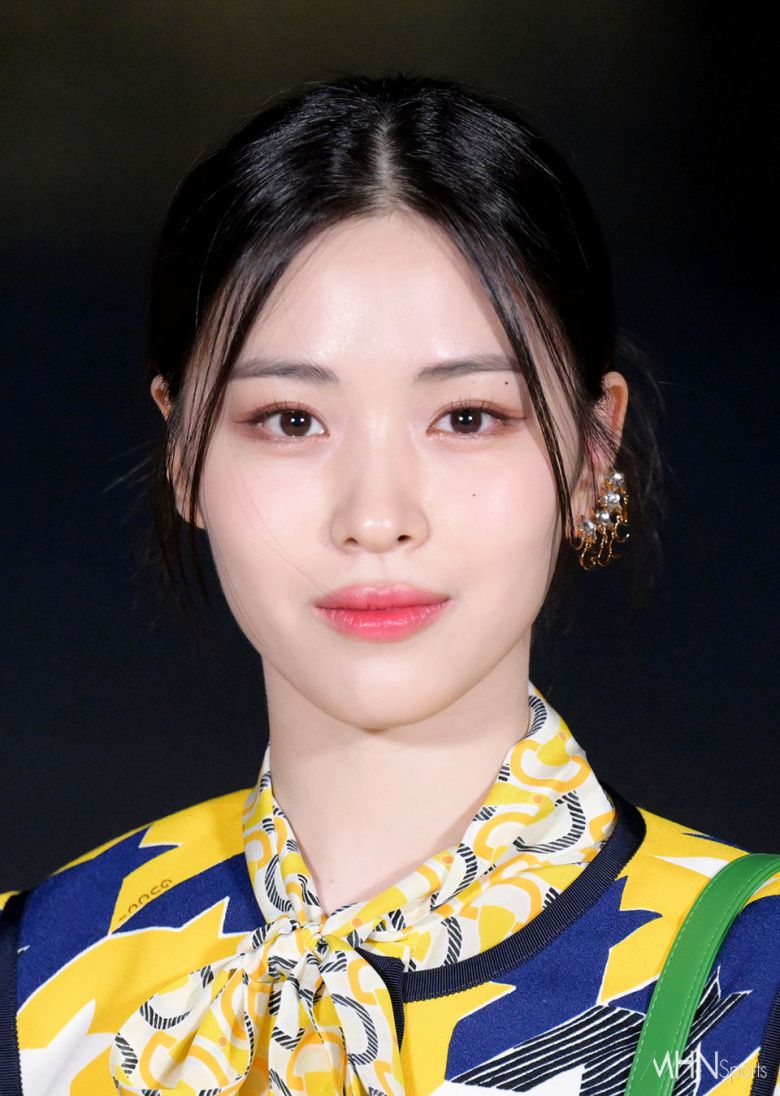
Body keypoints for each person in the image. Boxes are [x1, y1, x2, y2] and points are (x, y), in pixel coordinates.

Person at [1, 72, 778, 1096]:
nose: (375, 516)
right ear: (183, 452)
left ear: (594, 456)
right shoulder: (31, 981)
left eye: (467, 417)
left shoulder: (751, 987)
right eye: (290, 420)